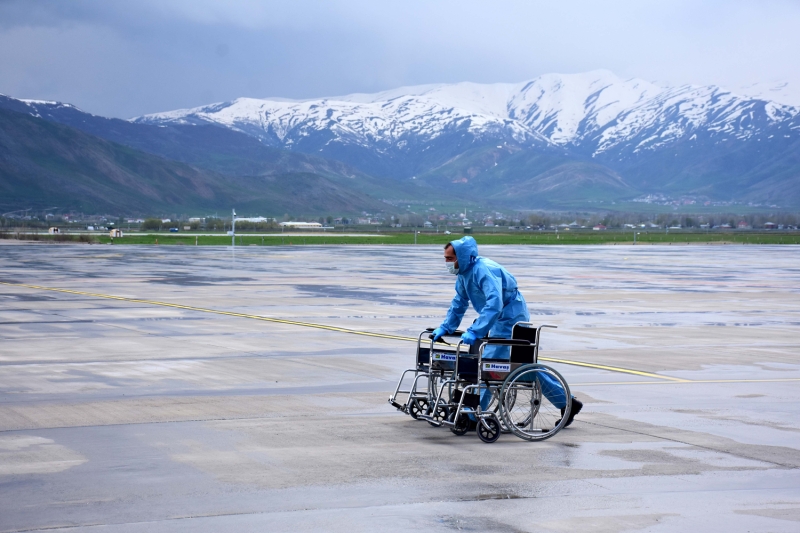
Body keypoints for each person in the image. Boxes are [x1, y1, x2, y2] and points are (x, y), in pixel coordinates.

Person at [431, 236, 582, 427]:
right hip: (498, 318)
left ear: (462, 257)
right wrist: (446, 327)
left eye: (450, 258)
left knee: (489, 364)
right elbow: (459, 303)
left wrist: (475, 331)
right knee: (520, 366)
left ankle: (473, 414)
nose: (447, 263)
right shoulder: (464, 274)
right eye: (445, 258)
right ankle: (568, 402)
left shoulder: (483, 270)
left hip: (511, 316)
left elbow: (495, 303)